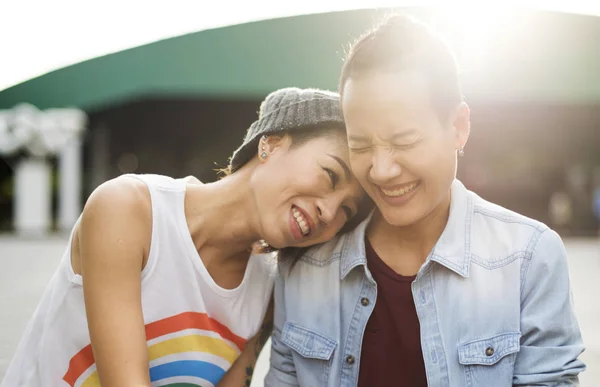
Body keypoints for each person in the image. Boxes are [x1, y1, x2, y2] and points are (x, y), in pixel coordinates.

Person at [266, 15, 586, 387]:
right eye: (361, 146)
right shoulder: (303, 266)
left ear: (458, 127)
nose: (382, 170)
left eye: (404, 142)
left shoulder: (529, 258)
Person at [1, 87, 368, 387]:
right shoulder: (130, 210)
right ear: (271, 143)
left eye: (347, 212)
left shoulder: (270, 286)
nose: (330, 212)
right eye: (330, 175)